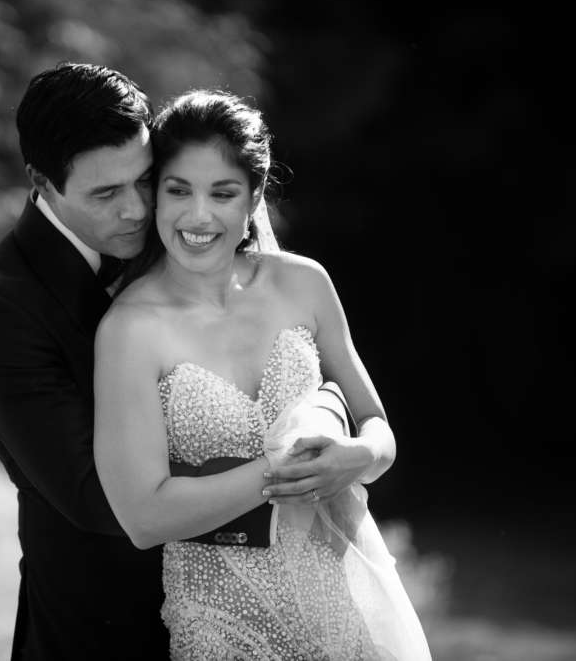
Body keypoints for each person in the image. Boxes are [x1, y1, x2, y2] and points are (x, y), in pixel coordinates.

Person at [0, 64, 360, 660]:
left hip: (268, 603)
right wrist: (291, 463)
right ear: (42, 181)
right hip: (102, 626)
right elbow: (99, 499)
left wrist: (326, 407)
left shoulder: (179, 233)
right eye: (105, 194)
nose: (137, 211)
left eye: (145, 181)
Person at [94, 90, 431, 660]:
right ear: (155, 197)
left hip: (344, 601)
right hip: (222, 618)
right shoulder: (129, 329)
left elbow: (378, 427)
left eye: (222, 193)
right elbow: (144, 517)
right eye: (178, 191)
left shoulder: (304, 283)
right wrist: (281, 471)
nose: (198, 216)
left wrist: (359, 457)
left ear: (254, 196)